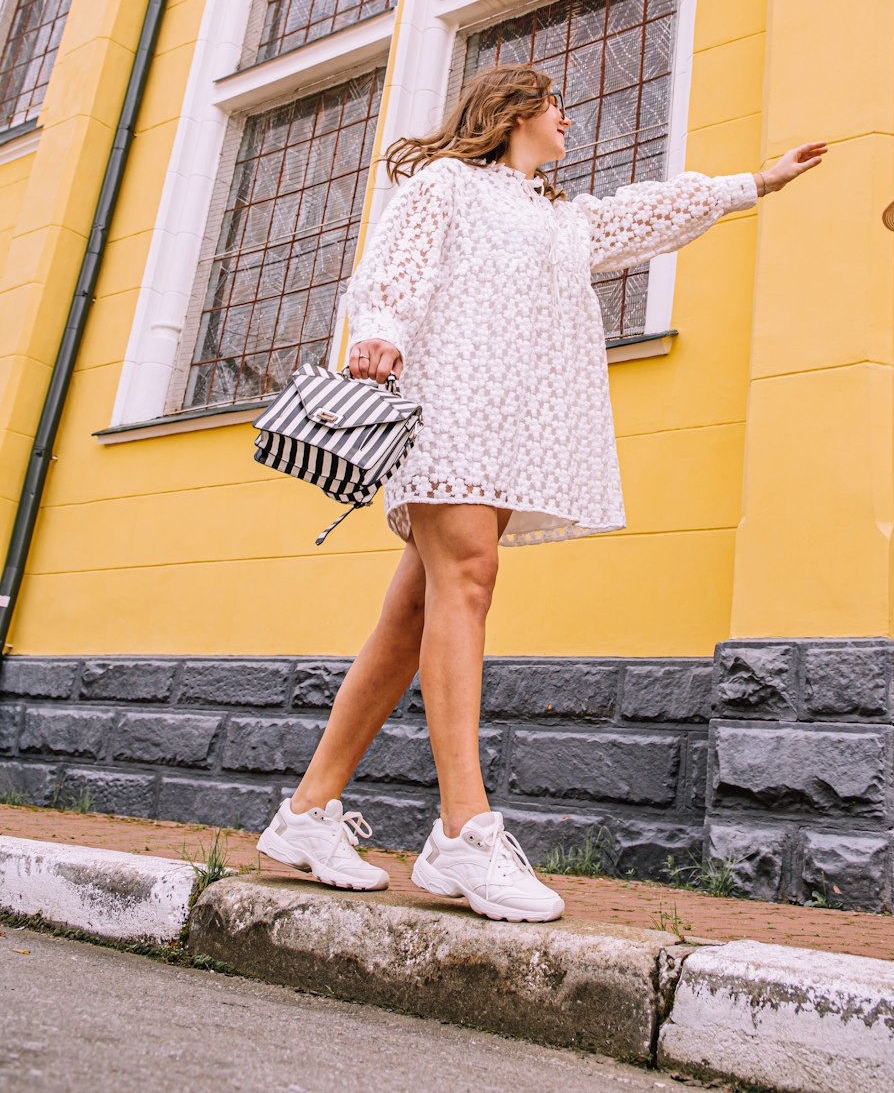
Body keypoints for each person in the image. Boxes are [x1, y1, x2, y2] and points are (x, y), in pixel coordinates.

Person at [257, 64, 826, 922]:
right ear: (515, 111)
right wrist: (377, 331)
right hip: (446, 409)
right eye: (557, 107)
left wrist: (755, 182)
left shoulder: (561, 216)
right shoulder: (448, 182)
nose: (568, 121)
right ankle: (463, 831)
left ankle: (305, 814)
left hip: (507, 427)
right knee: (471, 579)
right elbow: (396, 262)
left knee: (415, 611)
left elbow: (649, 211)